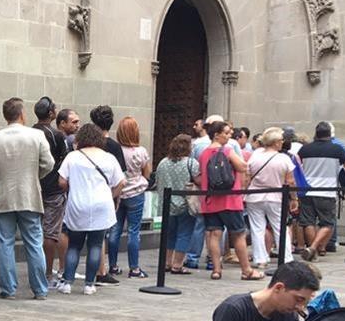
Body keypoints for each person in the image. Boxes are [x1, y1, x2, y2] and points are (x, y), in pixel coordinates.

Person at [0, 97, 54, 300]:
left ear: (6, 116)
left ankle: (9, 289)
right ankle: (40, 289)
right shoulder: (36, 135)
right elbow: (48, 163)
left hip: (3, 195)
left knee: (5, 242)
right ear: (22, 114)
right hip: (29, 193)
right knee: (34, 242)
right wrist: (34, 176)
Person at [56, 123, 124, 295]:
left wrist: (72, 187)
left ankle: (67, 282)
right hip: (102, 204)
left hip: (78, 204)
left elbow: (61, 182)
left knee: (74, 245)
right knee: (95, 244)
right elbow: (121, 182)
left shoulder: (73, 157)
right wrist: (111, 195)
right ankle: (89, 284)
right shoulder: (109, 158)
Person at [298, 121, 345, 262]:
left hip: (307, 191)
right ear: (330, 135)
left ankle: (313, 252)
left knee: (308, 222)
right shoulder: (337, 149)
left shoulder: (304, 150)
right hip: (327, 191)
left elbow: (297, 168)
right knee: (327, 223)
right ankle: (313, 247)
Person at [198, 120, 261, 281]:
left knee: (214, 233)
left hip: (210, 199)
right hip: (229, 199)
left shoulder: (204, 153)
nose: (229, 136)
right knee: (238, 234)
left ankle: (216, 270)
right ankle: (246, 270)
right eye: (226, 133)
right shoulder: (226, 150)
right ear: (217, 135)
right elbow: (242, 166)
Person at [244, 127, 298, 269]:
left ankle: (260, 259)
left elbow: (247, 177)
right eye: (280, 140)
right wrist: (294, 198)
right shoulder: (283, 158)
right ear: (275, 143)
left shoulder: (255, 155)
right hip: (275, 196)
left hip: (254, 195)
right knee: (280, 228)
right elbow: (290, 181)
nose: (282, 143)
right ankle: (286, 257)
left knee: (257, 228)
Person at [107, 117, 152, 278]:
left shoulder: (115, 149)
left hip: (118, 192)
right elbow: (147, 172)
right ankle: (134, 268)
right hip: (136, 192)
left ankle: (112, 265)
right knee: (134, 230)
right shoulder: (141, 151)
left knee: (115, 229)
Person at [151, 134, 200, 274]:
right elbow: (199, 181)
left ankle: (167, 262)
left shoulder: (162, 162)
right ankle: (177, 264)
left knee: (169, 234)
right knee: (184, 234)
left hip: (166, 204)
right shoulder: (191, 163)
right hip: (185, 203)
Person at [34, 97, 69, 287]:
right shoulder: (57, 135)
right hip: (53, 188)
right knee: (50, 232)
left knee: (35, 231)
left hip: (34, 187)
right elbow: (64, 159)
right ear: (50, 113)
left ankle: (39, 270)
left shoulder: (30, 133)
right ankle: (47, 273)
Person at [88, 105, 123, 285]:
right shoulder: (114, 147)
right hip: (106, 194)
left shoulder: (88, 145)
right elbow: (121, 177)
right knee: (101, 234)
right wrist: (115, 197)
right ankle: (100, 270)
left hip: (85, 194)